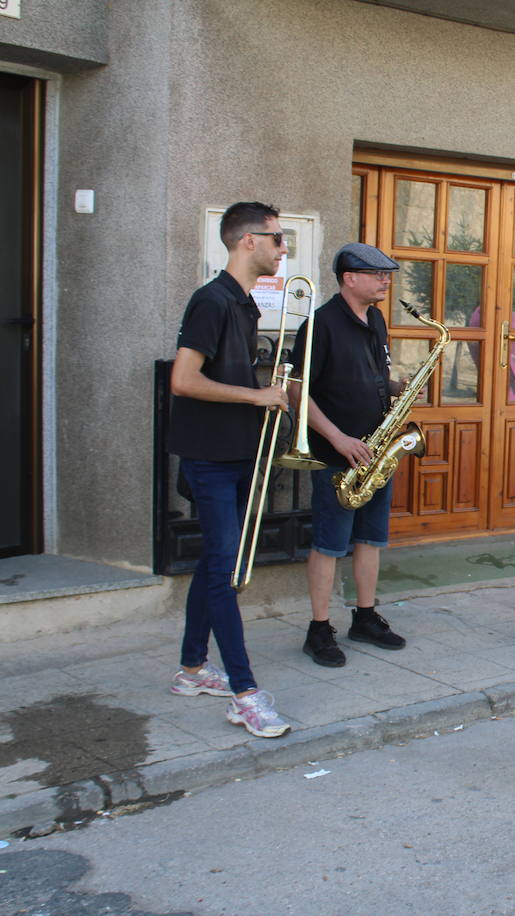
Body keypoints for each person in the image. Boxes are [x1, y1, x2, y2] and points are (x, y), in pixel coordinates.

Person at [167, 201, 291, 739]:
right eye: (277, 238)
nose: (283, 248)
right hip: (211, 458)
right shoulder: (212, 300)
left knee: (216, 563)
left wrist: (267, 391)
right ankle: (245, 694)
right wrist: (256, 396)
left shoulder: (243, 304)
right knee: (226, 571)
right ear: (248, 241)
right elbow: (183, 379)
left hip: (236, 453)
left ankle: (192, 669)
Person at [290, 243, 408, 667]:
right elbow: (296, 391)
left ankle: (365, 616)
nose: (385, 281)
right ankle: (319, 628)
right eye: (377, 274)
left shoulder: (375, 319)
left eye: (387, 274)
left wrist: (395, 388)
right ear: (349, 278)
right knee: (329, 544)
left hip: (375, 451)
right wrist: (338, 438)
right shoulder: (320, 325)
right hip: (336, 454)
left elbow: (370, 375)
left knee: (370, 539)